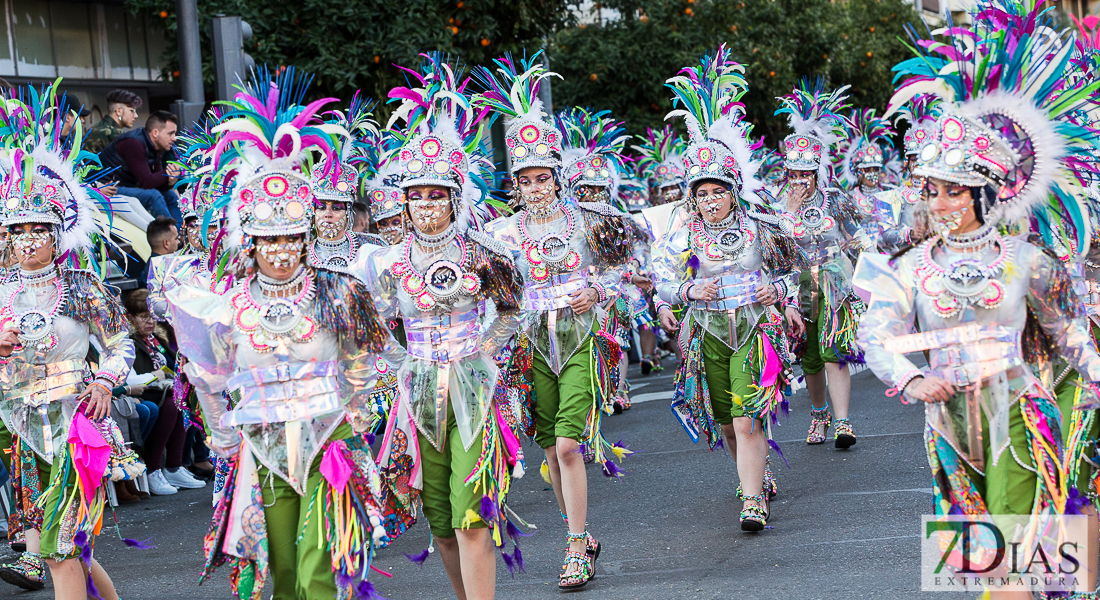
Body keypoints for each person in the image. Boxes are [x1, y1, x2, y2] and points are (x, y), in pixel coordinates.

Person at [857, 8, 1100, 598]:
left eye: (953, 191)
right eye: (932, 190)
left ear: (986, 193)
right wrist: (913, 378)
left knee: (1011, 565)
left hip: (1020, 414)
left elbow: (1071, 338)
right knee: (979, 566)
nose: (939, 203)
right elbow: (879, 333)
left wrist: (1091, 394)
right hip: (947, 428)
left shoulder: (1027, 261)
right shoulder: (908, 267)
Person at [167, 74, 395, 600]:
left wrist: (356, 410)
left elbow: (366, 355)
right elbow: (210, 376)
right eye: (268, 239)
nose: (279, 249)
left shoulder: (339, 290)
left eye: (290, 237)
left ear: (306, 235)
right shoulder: (227, 306)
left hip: (330, 437)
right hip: (262, 443)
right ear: (249, 240)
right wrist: (223, 442)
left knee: (320, 565)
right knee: (285, 572)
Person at [360, 55, 528, 600]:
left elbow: (510, 309)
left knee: (472, 513)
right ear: (402, 203)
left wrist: (486, 352)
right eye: (416, 195)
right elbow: (372, 327)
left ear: (456, 198)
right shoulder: (385, 264)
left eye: (437, 195)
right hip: (417, 394)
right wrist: (396, 368)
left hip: (475, 390)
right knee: (439, 521)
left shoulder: (485, 252)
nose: (426, 205)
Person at [475, 52, 643, 590]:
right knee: (550, 446)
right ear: (515, 182)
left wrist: (597, 289)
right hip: (528, 345)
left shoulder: (590, 221)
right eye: (525, 178)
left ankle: (575, 545)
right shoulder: (500, 234)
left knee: (570, 444)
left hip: (580, 338)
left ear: (557, 176)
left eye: (543, 176)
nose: (535, 185)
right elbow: (492, 296)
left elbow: (632, 270)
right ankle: (583, 534)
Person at [652, 47, 805, 531]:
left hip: (755, 331)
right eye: (702, 192)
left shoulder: (762, 223)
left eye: (718, 190)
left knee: (747, 417)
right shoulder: (681, 229)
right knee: (724, 421)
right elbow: (662, 277)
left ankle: (752, 499)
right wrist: (685, 293)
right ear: (691, 194)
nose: (710, 200)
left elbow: (792, 268)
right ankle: (752, 475)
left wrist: (776, 289)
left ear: (733, 189)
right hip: (706, 333)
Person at [0, 85, 139, 600]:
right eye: (19, 231)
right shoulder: (1, 292)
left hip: (76, 425)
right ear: (7, 238)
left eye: (40, 229)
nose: (29, 240)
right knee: (74, 551)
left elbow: (121, 342)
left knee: (60, 550)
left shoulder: (81, 286)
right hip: (20, 430)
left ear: (58, 233)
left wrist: (105, 379)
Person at [772, 80, 870, 449]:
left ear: (816, 171)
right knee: (809, 356)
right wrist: (789, 213)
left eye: (805, 173)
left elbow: (858, 238)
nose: (799, 180)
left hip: (833, 282)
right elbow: (773, 251)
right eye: (793, 173)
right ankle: (818, 413)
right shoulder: (777, 204)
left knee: (835, 350)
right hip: (798, 286)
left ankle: (843, 422)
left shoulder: (836, 200)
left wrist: (866, 271)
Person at [122, 289, 203, 495]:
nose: (150, 322)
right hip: (140, 393)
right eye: (143, 317)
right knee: (170, 403)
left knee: (184, 398)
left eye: (152, 317)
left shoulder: (157, 340)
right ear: (130, 318)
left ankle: (175, 467)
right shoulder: (128, 342)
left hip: (162, 391)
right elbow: (129, 377)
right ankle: (154, 469)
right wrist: (156, 376)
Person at [98, 110, 182, 223]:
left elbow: (157, 183)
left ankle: (180, 233)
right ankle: (170, 235)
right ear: (155, 133)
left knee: (170, 195)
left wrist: (171, 179)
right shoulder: (133, 143)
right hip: (105, 187)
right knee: (153, 196)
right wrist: (169, 173)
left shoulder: (155, 146)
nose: (174, 138)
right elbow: (147, 182)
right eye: (170, 133)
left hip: (124, 186)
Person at [84, 89, 142, 153]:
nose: (136, 116)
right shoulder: (113, 134)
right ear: (119, 111)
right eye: (132, 111)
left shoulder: (97, 128)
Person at [139, 216, 179, 287]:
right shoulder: (164, 271)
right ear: (166, 243)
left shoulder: (149, 269)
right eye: (176, 239)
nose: (178, 242)